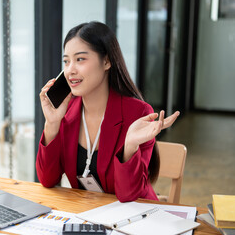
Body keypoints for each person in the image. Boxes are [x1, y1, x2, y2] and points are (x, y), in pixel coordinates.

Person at [36, 21, 180, 202]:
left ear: (106, 61)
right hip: (88, 216)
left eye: (80, 59)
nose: (70, 70)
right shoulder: (66, 112)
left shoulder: (139, 113)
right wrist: (52, 124)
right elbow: (47, 180)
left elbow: (129, 195)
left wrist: (130, 147)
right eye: (66, 61)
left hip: (135, 218)